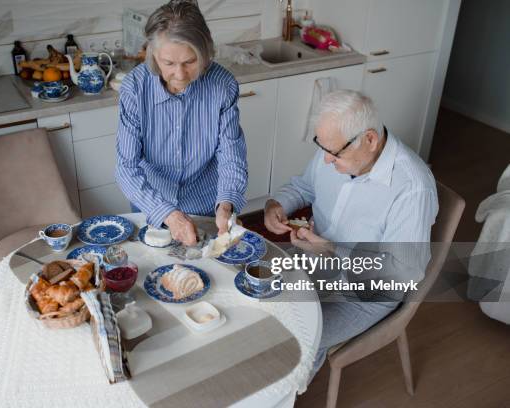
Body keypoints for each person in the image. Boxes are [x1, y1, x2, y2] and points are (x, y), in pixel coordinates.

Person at [264, 90, 439, 379]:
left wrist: (333, 251)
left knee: (293, 341)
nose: (327, 160)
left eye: (334, 153)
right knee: (251, 298)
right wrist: (276, 205)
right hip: (314, 258)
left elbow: (403, 272)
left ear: (369, 140)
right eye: (322, 147)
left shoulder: (412, 188)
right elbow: (303, 187)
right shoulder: (336, 145)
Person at [115, 0, 248, 245]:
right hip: (151, 205)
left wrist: (226, 204)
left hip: (205, 205)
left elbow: (231, 155)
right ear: (153, 54)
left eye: (189, 61)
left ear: (206, 52)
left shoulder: (223, 85)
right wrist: (170, 215)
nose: (180, 74)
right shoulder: (134, 88)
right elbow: (126, 168)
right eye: (169, 63)